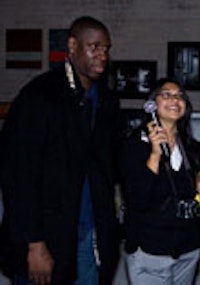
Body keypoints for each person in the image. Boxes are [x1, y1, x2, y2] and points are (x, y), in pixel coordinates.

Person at [0, 16, 120, 285]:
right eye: (94, 47)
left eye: (106, 49)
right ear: (72, 45)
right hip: (47, 235)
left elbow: (113, 163)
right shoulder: (39, 96)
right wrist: (34, 244)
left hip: (91, 233)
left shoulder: (107, 101)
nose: (102, 55)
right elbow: (17, 176)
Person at [119, 78, 200, 284]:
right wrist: (155, 156)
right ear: (152, 103)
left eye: (180, 96)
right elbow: (137, 199)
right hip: (150, 250)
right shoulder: (133, 145)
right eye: (166, 94)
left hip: (188, 249)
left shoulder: (192, 148)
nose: (174, 99)